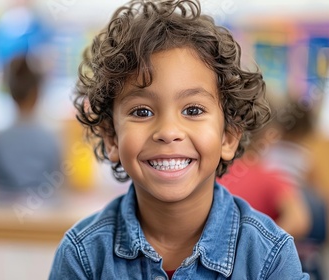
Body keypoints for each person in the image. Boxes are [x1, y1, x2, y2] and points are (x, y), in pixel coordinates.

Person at [49, 0, 308, 279]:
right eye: (142, 111)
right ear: (112, 138)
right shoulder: (83, 255)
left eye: (193, 110)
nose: (168, 131)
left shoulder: (270, 256)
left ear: (229, 136)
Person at [0, 55, 62, 194]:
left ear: (11, 93)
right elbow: (58, 183)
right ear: (37, 94)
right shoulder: (49, 140)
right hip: (45, 212)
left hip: (1, 213)